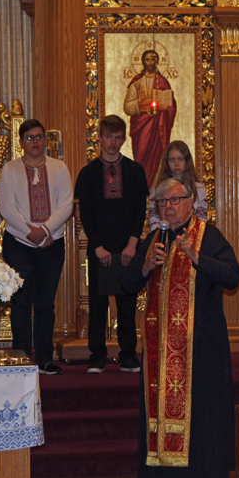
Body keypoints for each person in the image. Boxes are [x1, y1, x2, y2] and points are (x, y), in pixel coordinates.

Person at [121, 178, 239, 478]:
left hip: (200, 350)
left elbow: (232, 276)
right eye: (162, 202)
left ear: (190, 202)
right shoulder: (154, 239)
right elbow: (127, 283)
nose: (168, 207)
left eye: (174, 200)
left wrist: (197, 257)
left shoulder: (208, 236)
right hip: (160, 354)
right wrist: (145, 266)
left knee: (201, 420)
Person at [75, 115, 149, 374]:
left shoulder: (135, 171)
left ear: (124, 138)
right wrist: (97, 247)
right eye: (108, 136)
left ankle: (128, 355)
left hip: (128, 248)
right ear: (100, 137)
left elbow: (140, 211)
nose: (113, 142)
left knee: (127, 304)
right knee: (97, 305)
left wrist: (132, 244)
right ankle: (97, 356)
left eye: (118, 137)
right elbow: (86, 214)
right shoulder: (88, 174)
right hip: (99, 249)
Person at [0, 119, 73, 375]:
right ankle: (20, 358)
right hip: (18, 244)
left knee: (45, 304)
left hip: (52, 244)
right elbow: (7, 208)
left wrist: (46, 231)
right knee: (20, 303)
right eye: (29, 138)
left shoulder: (59, 168)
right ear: (21, 142)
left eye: (39, 137)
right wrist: (34, 234)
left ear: (45, 140)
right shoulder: (10, 170)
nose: (35, 142)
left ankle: (44, 358)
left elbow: (66, 205)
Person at [123, 49, 177, 188]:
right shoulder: (136, 83)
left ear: (157, 61)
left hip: (157, 128)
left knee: (157, 158)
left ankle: (154, 189)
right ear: (142, 62)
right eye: (147, 59)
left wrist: (164, 107)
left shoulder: (163, 82)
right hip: (141, 128)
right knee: (140, 156)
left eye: (153, 59)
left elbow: (171, 105)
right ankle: (141, 188)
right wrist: (141, 104)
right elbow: (128, 107)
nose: (150, 62)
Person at [149, 140, 207, 230]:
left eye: (180, 159)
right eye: (172, 160)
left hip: (191, 237)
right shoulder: (157, 189)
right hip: (166, 236)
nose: (176, 164)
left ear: (187, 161)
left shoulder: (199, 189)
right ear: (167, 162)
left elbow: (201, 221)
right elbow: (154, 220)